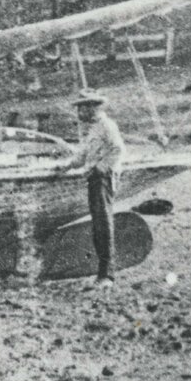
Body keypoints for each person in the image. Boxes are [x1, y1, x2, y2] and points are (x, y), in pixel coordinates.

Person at [68, 91, 126, 287]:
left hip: (103, 178)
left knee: (103, 222)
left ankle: (107, 275)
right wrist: (67, 166)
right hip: (95, 177)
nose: (79, 112)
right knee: (98, 222)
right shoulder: (93, 128)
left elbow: (118, 150)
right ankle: (103, 273)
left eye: (82, 108)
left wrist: (100, 170)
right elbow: (84, 153)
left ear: (92, 108)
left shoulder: (107, 126)